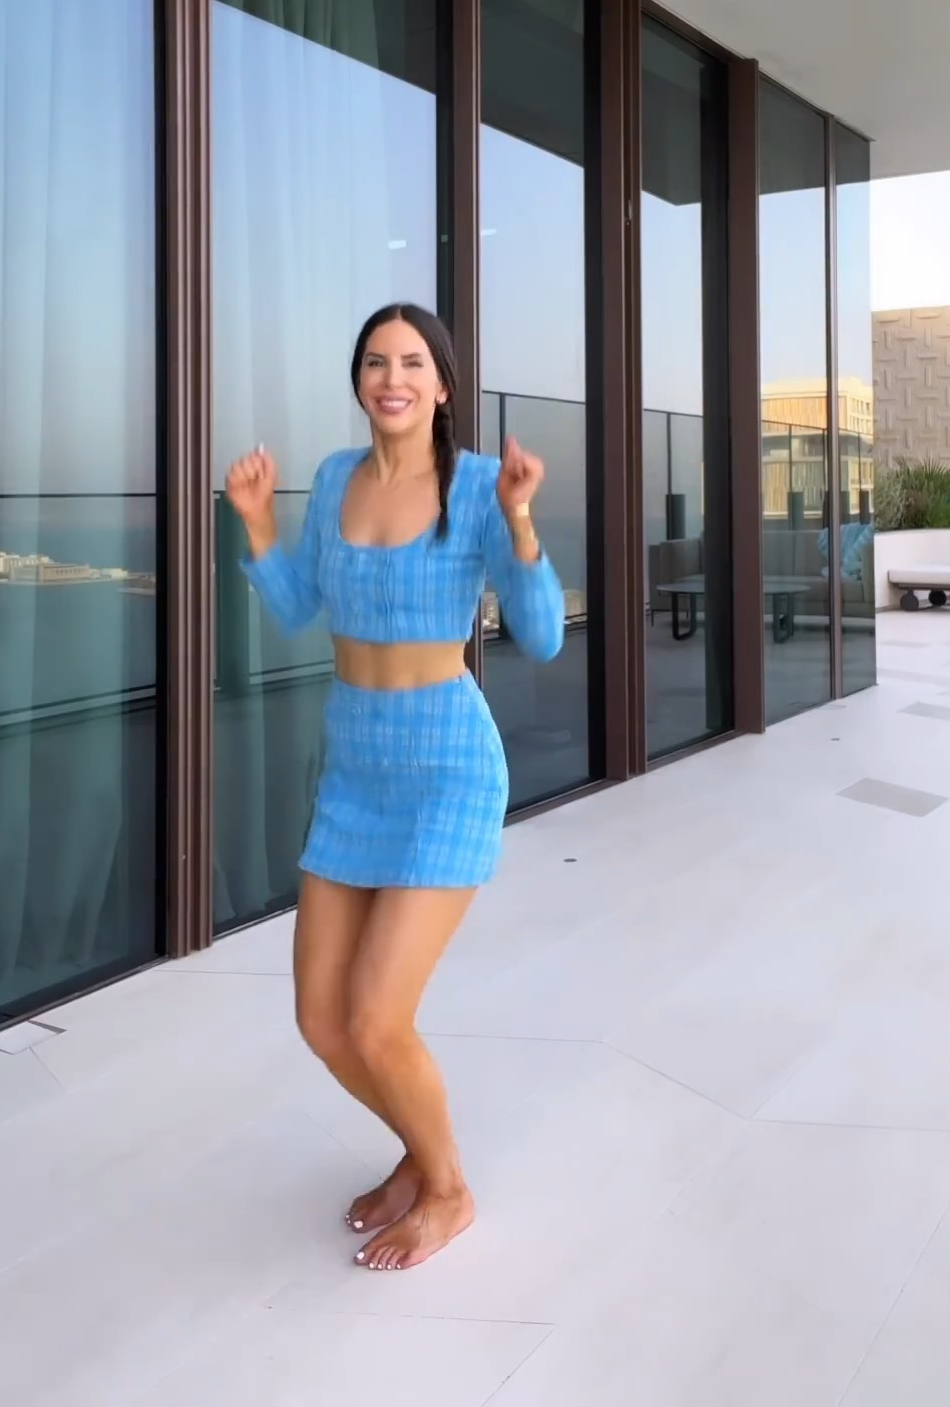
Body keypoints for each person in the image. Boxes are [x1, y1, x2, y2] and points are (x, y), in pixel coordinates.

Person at [225, 304, 564, 1273]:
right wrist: (257, 524)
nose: (393, 378)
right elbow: (301, 607)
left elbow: (541, 634)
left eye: (413, 362)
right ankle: (419, 1152)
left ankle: (448, 1190)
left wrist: (521, 520)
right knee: (322, 1022)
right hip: (356, 768)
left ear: (442, 385)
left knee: (376, 1017)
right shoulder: (335, 478)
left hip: (446, 766)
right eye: (376, 362)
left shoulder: (478, 486)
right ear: (360, 380)